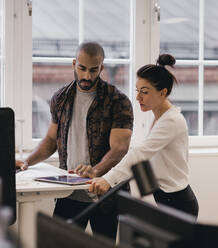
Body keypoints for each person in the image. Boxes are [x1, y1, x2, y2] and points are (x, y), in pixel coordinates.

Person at [15, 42, 134, 239]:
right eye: (82, 68)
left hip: (104, 194)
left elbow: (120, 148)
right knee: (58, 243)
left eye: (94, 70)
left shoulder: (117, 101)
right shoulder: (61, 98)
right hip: (68, 192)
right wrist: (27, 161)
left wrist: (95, 170)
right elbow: (51, 140)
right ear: (74, 64)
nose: (87, 76)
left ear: (101, 68)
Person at [77, 54, 199, 217]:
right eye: (138, 91)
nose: (138, 97)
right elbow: (143, 155)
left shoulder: (171, 121)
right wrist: (100, 172)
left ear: (163, 93)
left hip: (178, 203)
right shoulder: (160, 118)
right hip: (166, 199)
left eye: (145, 92)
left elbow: (141, 153)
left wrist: (108, 179)